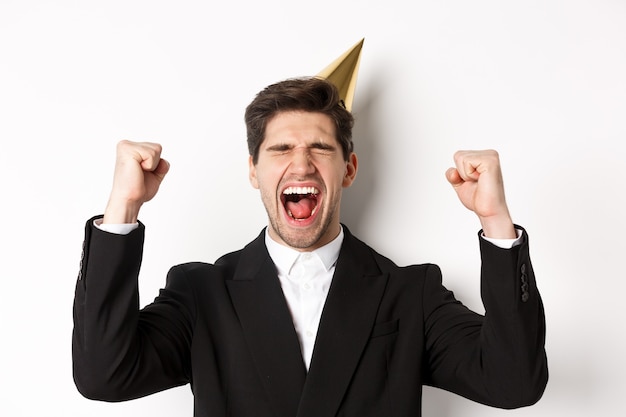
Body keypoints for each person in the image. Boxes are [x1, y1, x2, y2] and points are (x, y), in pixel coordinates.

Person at [72, 76, 548, 416]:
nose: (301, 165)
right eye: (280, 149)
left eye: (320, 148)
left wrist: (495, 220)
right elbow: (105, 376)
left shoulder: (410, 293)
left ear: (349, 169)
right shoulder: (202, 293)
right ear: (254, 170)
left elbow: (513, 384)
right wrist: (123, 207)